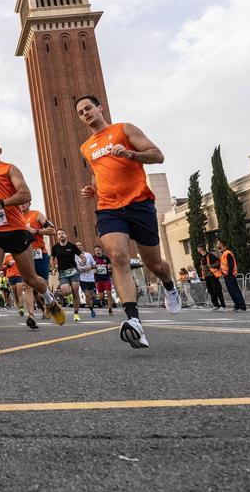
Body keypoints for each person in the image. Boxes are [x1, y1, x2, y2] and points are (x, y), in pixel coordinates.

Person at [74, 96, 181, 350]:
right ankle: (134, 322)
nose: (85, 113)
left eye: (88, 108)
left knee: (154, 263)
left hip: (139, 203)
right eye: (80, 112)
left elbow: (158, 155)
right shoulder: (86, 147)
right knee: (118, 257)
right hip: (108, 208)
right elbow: (98, 172)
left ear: (100, 108)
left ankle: (169, 285)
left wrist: (130, 154)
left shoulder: (124, 129)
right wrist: (94, 189)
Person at [0, 138, 65, 351]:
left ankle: (49, 300)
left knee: (30, 278)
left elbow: (25, 194)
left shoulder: (9, 169)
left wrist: (3, 202)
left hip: (15, 230)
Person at [51, 229, 83, 322]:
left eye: (62, 233)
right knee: (65, 292)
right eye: (59, 234)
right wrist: (53, 268)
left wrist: (83, 261)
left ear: (66, 235)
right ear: (57, 237)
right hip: (62, 272)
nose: (61, 235)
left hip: (74, 271)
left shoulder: (72, 246)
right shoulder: (55, 247)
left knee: (75, 290)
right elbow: (52, 258)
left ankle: (76, 313)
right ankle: (69, 298)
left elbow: (82, 256)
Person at [216, 239, 247, 311]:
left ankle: (242, 306)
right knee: (231, 291)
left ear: (221, 244)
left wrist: (229, 274)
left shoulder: (227, 253)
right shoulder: (223, 253)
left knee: (235, 290)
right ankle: (237, 305)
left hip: (230, 275)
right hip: (226, 276)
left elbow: (231, 265)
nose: (217, 245)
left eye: (218, 244)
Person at [197, 244, 225, 310]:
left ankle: (222, 305)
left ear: (201, 249)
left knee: (217, 290)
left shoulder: (210, 255)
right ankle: (216, 305)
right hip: (207, 276)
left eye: (198, 249)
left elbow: (218, 262)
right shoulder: (201, 257)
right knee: (210, 291)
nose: (197, 250)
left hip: (213, 275)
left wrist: (212, 265)